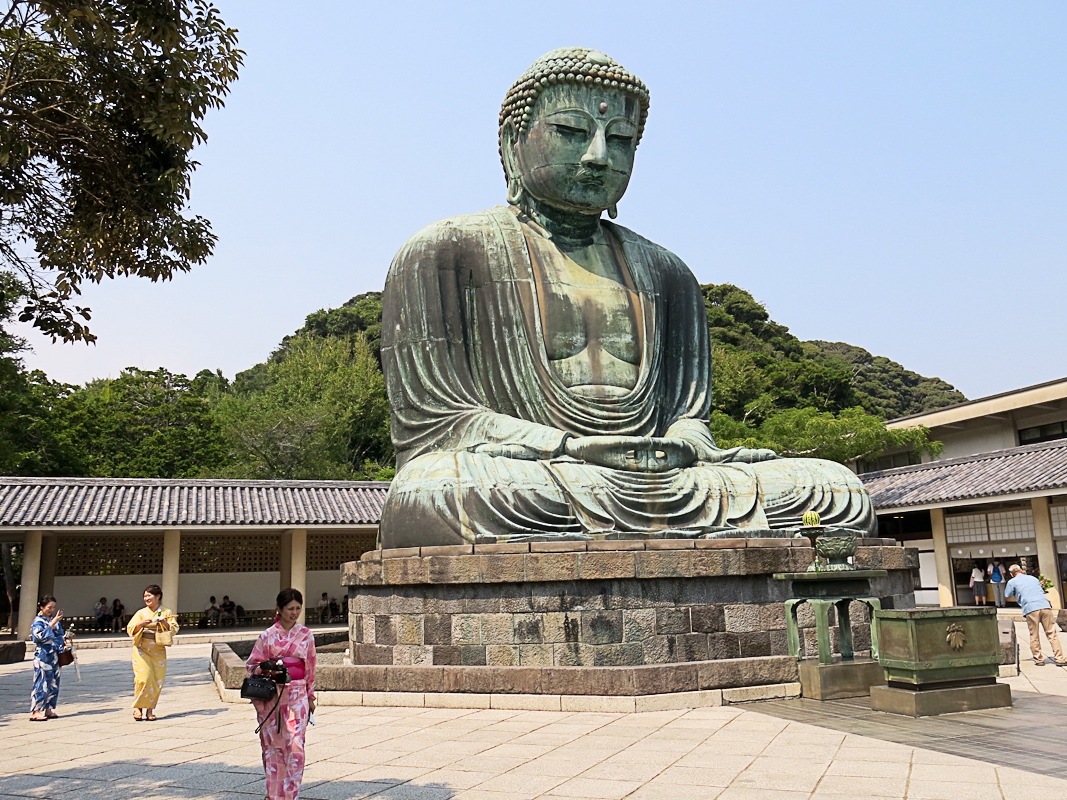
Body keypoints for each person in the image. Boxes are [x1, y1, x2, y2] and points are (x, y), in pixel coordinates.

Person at [378, 47, 875, 547]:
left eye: (620, 140)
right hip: (532, 474)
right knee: (437, 490)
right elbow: (439, 422)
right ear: (512, 142)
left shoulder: (667, 272)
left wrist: (681, 446)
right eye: (571, 132)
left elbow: (688, 416)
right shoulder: (444, 251)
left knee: (833, 488)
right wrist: (571, 447)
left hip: (662, 478)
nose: (598, 155)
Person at [247, 588, 317, 800]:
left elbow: (310, 668)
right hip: (273, 698)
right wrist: (266, 669)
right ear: (279, 609)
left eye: (297, 608)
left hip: (297, 696)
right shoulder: (267, 636)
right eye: (289, 609)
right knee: (273, 748)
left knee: (296, 747)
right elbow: (252, 666)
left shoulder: (306, 635)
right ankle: (274, 793)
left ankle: (291, 795)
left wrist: (311, 696)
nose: (294, 613)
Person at [126, 584, 178, 720]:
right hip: (141, 649)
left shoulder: (166, 612)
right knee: (143, 679)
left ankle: (150, 710)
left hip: (158, 650)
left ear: (158, 596)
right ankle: (138, 708)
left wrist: (164, 623)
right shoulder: (141, 613)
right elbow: (130, 629)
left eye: (149, 595)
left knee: (156, 681)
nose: (146, 598)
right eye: (145, 596)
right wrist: (141, 623)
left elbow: (174, 628)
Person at [1004, 564, 1066, 667]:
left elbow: (1007, 595)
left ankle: (1039, 659)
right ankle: (1060, 659)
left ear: (1011, 574)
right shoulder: (1033, 578)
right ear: (1021, 571)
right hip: (1045, 605)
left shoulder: (1012, 582)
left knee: (1034, 634)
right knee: (1052, 633)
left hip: (1030, 608)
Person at [30, 596, 66, 721]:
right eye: (49, 607)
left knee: (53, 682)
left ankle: (49, 708)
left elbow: (59, 635)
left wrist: (66, 637)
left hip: (54, 655)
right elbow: (37, 637)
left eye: (53, 607)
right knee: (41, 682)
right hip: (43, 655)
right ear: (42, 607)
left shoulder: (54, 621)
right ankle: (36, 710)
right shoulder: (38, 621)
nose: (51, 610)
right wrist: (52, 624)